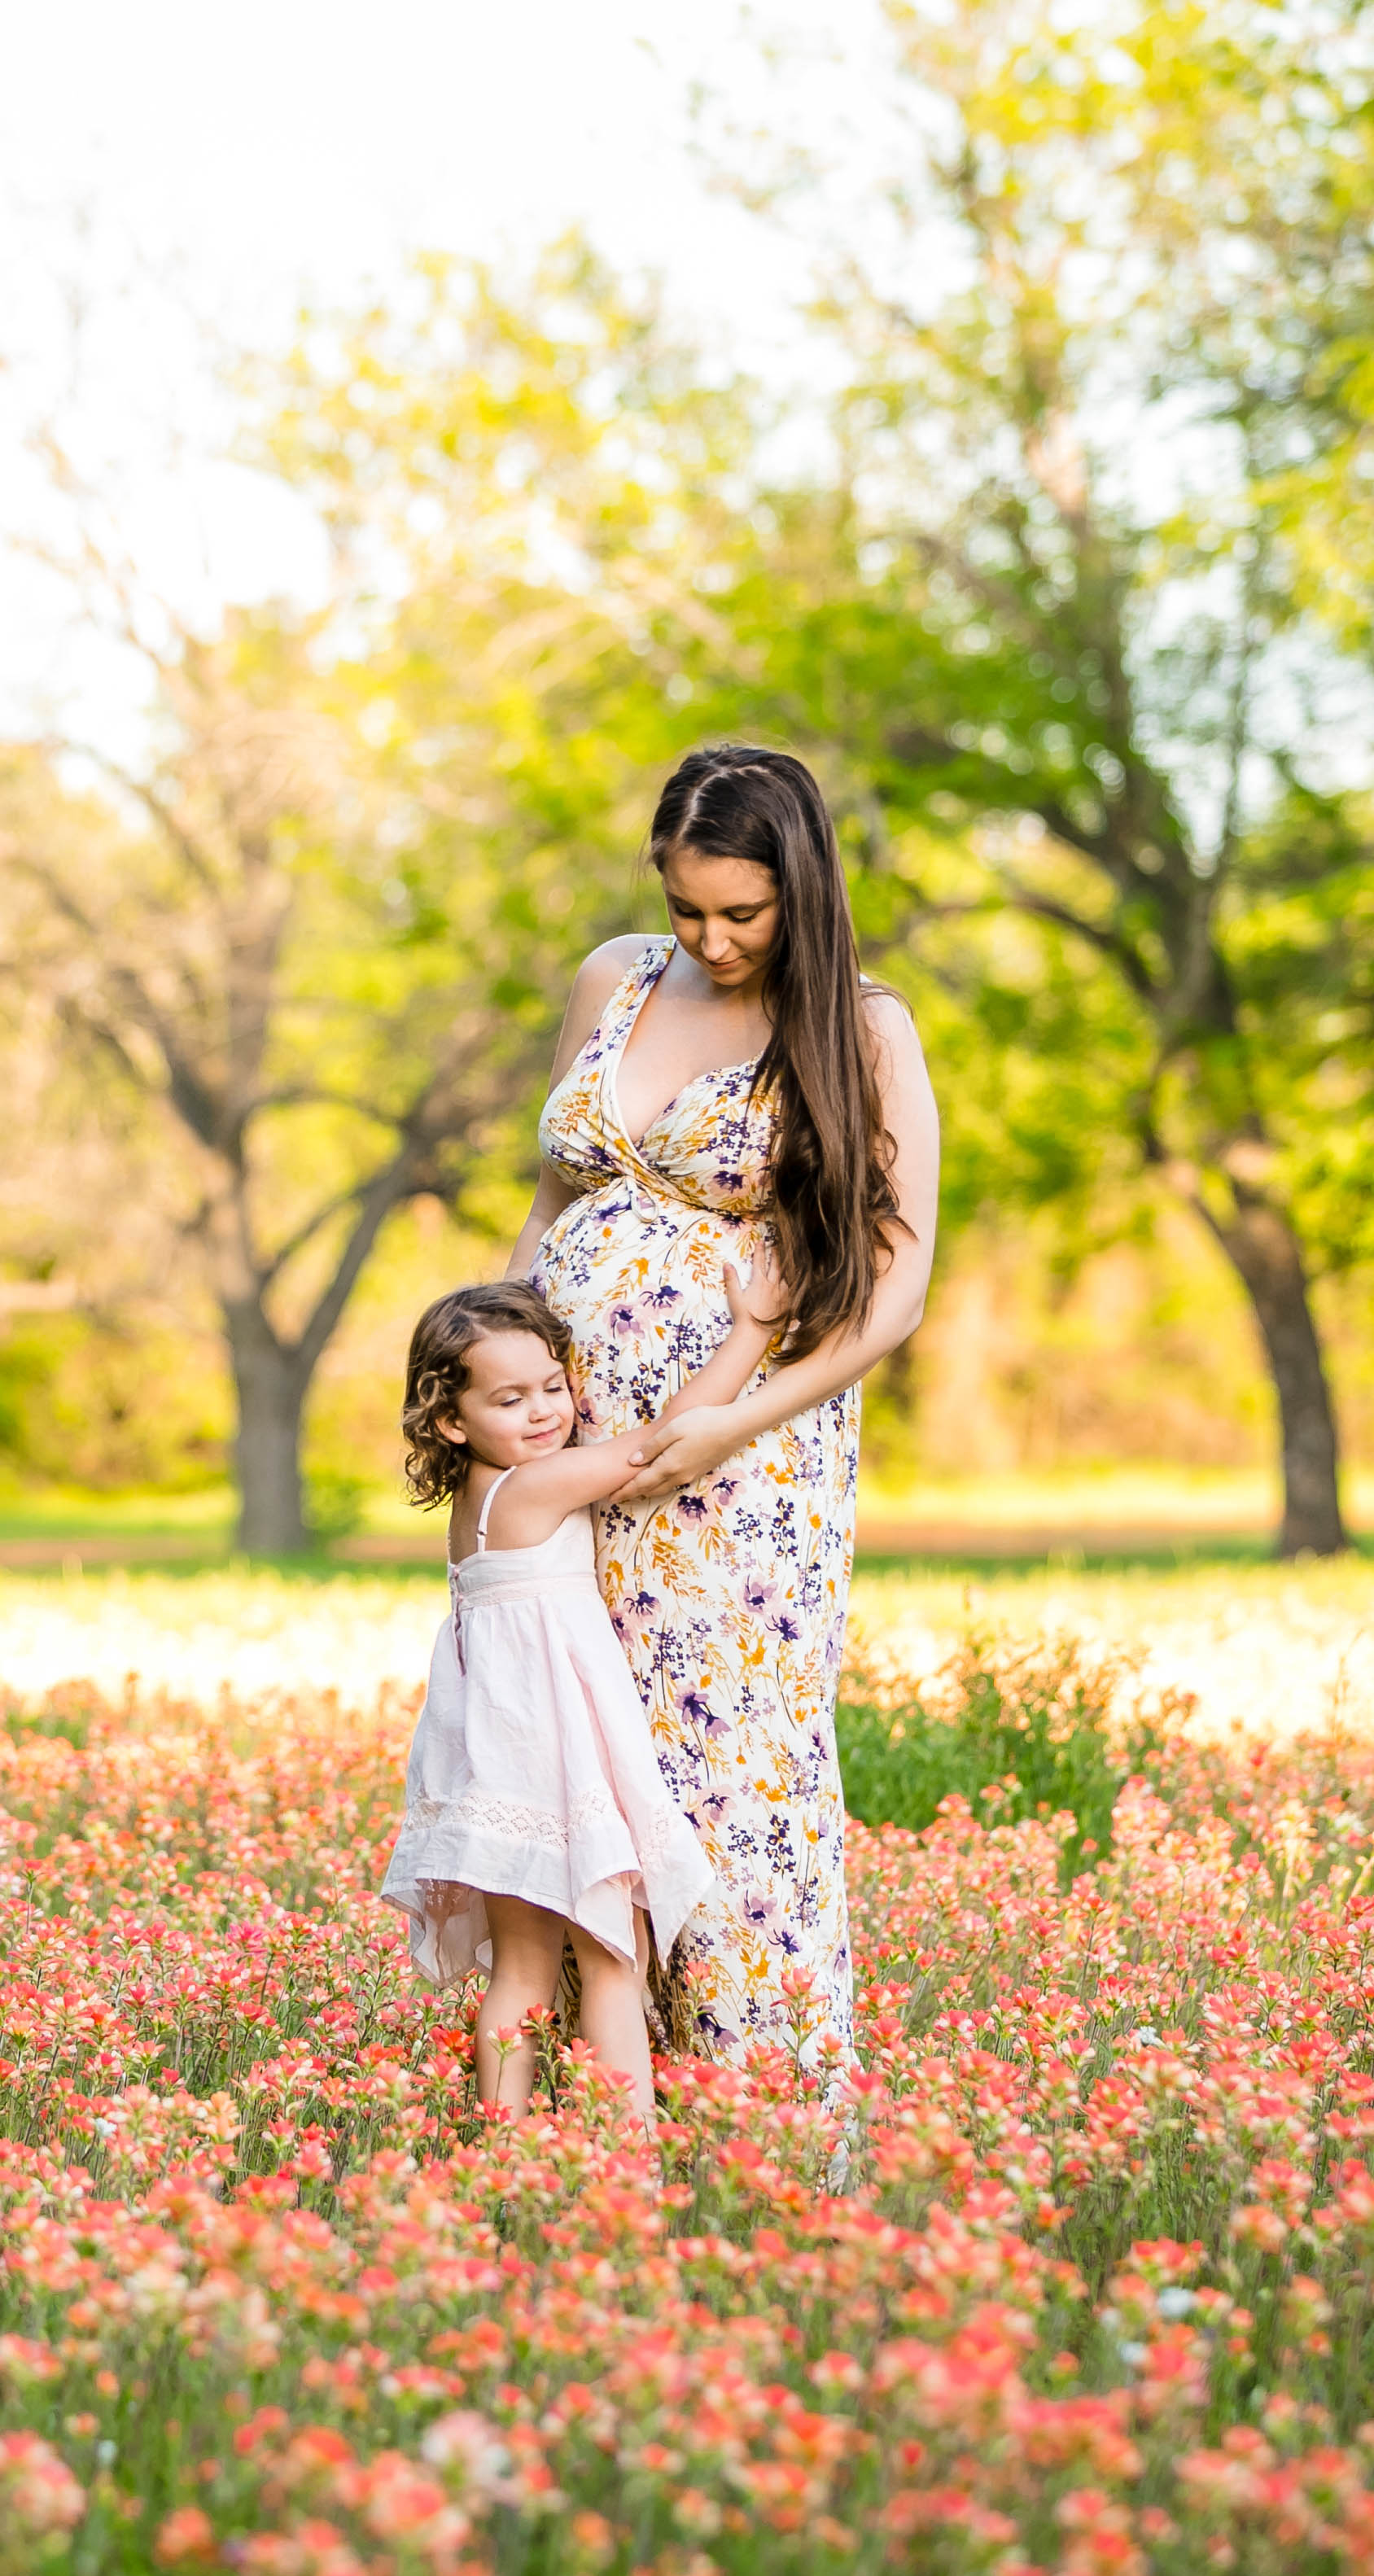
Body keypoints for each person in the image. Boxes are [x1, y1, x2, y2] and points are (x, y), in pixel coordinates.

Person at [505, 745, 941, 2093]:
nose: (712, 939)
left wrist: (734, 1422)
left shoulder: (861, 1025)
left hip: (738, 1477)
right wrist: (497, 1364)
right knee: (571, 1763)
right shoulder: (613, 979)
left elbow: (897, 1283)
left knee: (727, 1779)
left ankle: (762, 2124)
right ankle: (597, 2116)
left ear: (800, 888)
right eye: (690, 907)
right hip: (566, 1462)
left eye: (741, 913)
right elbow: (553, 1202)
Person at [379, 1254, 785, 2124]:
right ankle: (623, 2167)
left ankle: (505, 2145)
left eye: (551, 1387)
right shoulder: (536, 1486)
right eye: (508, 1399)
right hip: (549, 1752)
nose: (543, 1412)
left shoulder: (480, 1497)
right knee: (613, 1953)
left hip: (495, 1761)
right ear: (449, 1422)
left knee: (521, 1971)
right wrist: (750, 1332)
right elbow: (659, 1445)